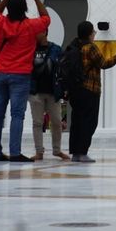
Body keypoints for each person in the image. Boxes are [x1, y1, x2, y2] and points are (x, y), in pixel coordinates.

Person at [0, 0, 50, 162]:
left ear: (8, 7)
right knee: (17, 114)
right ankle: (15, 152)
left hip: (0, 73)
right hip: (20, 75)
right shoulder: (31, 26)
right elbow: (46, 19)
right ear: (24, 7)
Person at [68, 21, 116, 162]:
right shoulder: (90, 48)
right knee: (89, 122)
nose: (94, 35)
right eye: (93, 32)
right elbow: (104, 64)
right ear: (89, 34)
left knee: (77, 121)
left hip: (76, 90)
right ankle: (82, 152)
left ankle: (75, 153)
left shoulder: (74, 47)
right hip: (89, 90)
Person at [29, 31, 69, 160]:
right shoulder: (30, 49)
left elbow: (63, 68)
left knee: (57, 121)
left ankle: (57, 150)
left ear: (44, 32)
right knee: (37, 122)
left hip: (53, 92)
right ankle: (39, 151)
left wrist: (64, 87)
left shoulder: (55, 49)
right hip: (36, 91)